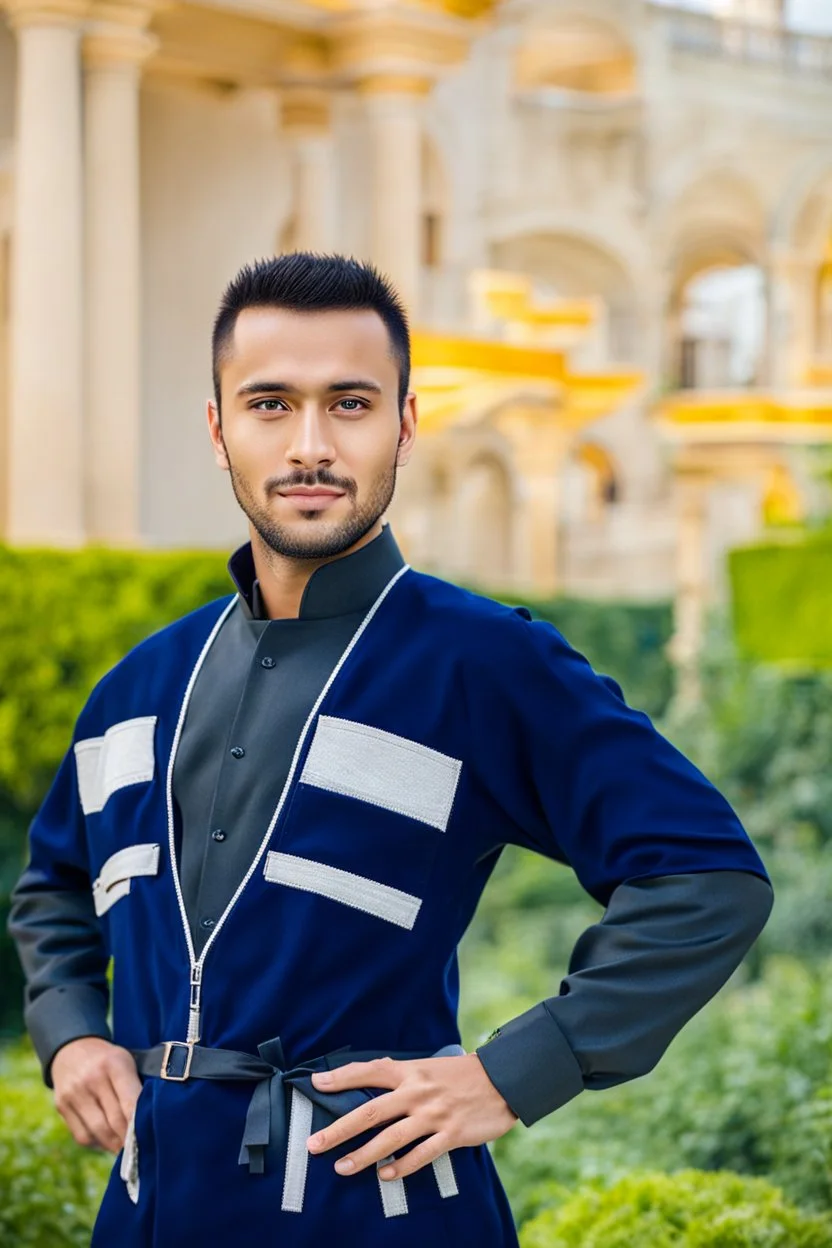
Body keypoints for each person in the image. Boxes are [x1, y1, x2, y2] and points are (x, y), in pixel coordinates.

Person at [8, 253, 773, 1248]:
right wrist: (70, 1036)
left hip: (379, 1211)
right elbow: (56, 884)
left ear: (406, 423)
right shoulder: (138, 687)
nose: (312, 445)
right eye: (271, 405)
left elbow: (705, 877)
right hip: (149, 1213)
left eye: (352, 404)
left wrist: (517, 1071)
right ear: (218, 429)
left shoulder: (485, 663)